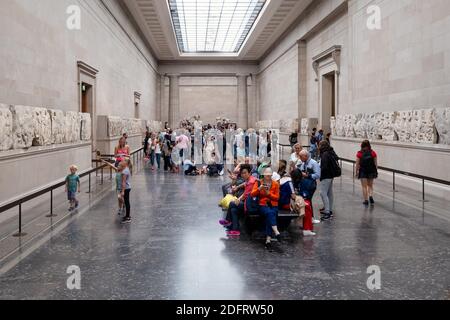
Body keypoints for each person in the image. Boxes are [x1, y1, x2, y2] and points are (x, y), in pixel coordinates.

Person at [221, 164, 257, 237]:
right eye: (242, 173)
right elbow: (244, 184)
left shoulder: (251, 182)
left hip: (250, 205)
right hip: (247, 202)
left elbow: (245, 195)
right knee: (234, 210)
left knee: (232, 203)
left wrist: (238, 199)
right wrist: (237, 187)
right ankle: (235, 230)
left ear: (249, 173)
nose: (243, 175)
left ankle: (228, 220)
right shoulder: (250, 179)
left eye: (245, 173)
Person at [251, 167, 281, 249]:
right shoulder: (259, 183)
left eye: (269, 175)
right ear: (263, 175)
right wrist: (259, 189)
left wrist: (268, 193)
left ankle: (268, 240)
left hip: (273, 205)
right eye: (266, 175)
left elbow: (277, 198)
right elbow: (252, 194)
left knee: (269, 216)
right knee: (270, 213)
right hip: (262, 205)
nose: (268, 177)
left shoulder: (275, 184)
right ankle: (276, 231)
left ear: (271, 175)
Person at [296, 150, 321, 236]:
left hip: (310, 184)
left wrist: (308, 175)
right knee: (308, 201)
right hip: (304, 184)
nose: (300, 158)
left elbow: (318, 175)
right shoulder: (302, 163)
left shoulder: (313, 163)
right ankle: (311, 218)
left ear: (306, 156)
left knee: (308, 200)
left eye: (301, 156)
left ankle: (310, 218)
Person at [318, 140, 341, 221]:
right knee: (329, 193)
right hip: (331, 175)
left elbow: (324, 167)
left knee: (323, 193)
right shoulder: (330, 152)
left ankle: (327, 212)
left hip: (326, 175)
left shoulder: (324, 154)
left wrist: (320, 175)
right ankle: (329, 210)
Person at [356, 140, 378, 206]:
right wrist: (375, 170)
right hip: (371, 171)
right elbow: (375, 163)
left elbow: (357, 164)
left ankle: (366, 200)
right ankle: (370, 196)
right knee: (370, 185)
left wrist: (356, 171)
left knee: (364, 186)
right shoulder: (373, 153)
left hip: (363, 171)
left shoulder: (359, 153)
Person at [120, 158, 132, 223]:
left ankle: (128, 217)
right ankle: (127, 216)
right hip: (128, 187)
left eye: (124, 160)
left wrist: (122, 191)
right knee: (127, 202)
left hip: (126, 188)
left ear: (126, 163)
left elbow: (123, 182)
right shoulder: (127, 169)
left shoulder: (125, 171)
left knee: (127, 202)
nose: (122, 161)